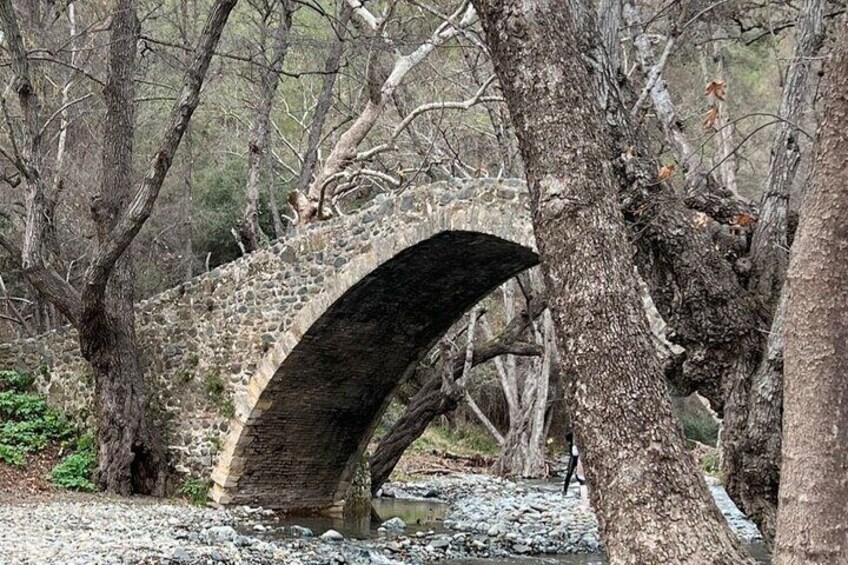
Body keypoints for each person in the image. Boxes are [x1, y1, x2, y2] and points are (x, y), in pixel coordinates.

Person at [562, 431, 590, 509]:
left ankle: (566, 490)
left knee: (575, 476)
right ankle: (565, 490)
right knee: (569, 474)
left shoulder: (577, 441)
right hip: (574, 458)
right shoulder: (571, 441)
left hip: (577, 458)